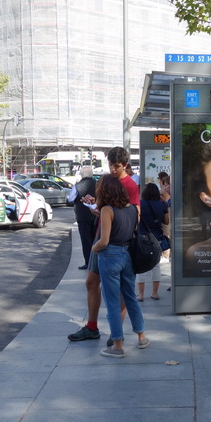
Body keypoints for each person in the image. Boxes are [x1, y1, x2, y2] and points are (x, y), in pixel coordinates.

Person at [68, 147, 140, 344]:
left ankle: (116, 333)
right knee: (91, 282)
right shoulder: (105, 181)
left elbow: (136, 215)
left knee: (123, 290)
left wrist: (113, 219)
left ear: (125, 165)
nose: (113, 169)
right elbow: (102, 208)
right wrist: (94, 207)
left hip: (120, 242)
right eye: (110, 165)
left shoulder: (131, 186)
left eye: (116, 166)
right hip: (102, 237)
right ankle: (92, 327)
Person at [91, 175, 149, 358]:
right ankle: (141, 337)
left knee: (113, 302)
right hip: (127, 256)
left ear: (105, 191)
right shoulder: (132, 209)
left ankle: (117, 345)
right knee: (130, 297)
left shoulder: (108, 210)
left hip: (110, 256)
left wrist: (93, 248)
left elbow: (104, 240)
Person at [135, 183, 169, 300]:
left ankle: (140, 294)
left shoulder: (140, 204)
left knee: (141, 265)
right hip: (156, 239)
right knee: (156, 265)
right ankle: (155, 293)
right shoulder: (162, 204)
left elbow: (136, 221)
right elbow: (166, 222)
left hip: (142, 238)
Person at [70, 166, 98, 270]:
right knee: (95, 238)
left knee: (85, 240)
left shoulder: (77, 186)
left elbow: (70, 198)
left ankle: (88, 262)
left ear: (81, 174)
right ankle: (96, 260)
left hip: (82, 216)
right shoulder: (97, 184)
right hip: (96, 214)